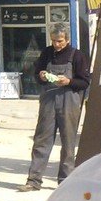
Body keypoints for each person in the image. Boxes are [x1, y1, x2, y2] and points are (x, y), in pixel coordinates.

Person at [18, 24, 90, 191]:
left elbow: (85, 82)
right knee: (42, 139)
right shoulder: (46, 53)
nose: (56, 44)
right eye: (54, 41)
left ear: (67, 40)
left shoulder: (77, 56)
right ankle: (33, 180)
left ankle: (65, 182)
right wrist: (42, 76)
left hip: (69, 103)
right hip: (48, 101)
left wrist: (69, 81)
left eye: (60, 41)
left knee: (68, 143)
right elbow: (36, 75)